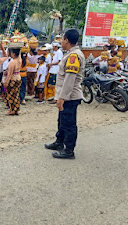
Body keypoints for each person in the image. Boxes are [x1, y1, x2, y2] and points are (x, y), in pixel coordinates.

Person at [45, 29, 84, 159]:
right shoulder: (70, 54)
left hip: (70, 96)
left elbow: (70, 79)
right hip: (67, 95)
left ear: (66, 40)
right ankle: (59, 142)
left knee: (69, 123)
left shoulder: (73, 56)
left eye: (62, 39)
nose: (61, 41)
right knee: (62, 120)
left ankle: (69, 150)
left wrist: (62, 98)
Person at [5, 48, 22, 115]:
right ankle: (16, 109)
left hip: (13, 79)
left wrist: (6, 82)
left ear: (14, 54)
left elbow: (10, 74)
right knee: (16, 95)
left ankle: (12, 110)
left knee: (11, 95)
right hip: (18, 78)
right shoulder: (19, 60)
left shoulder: (12, 62)